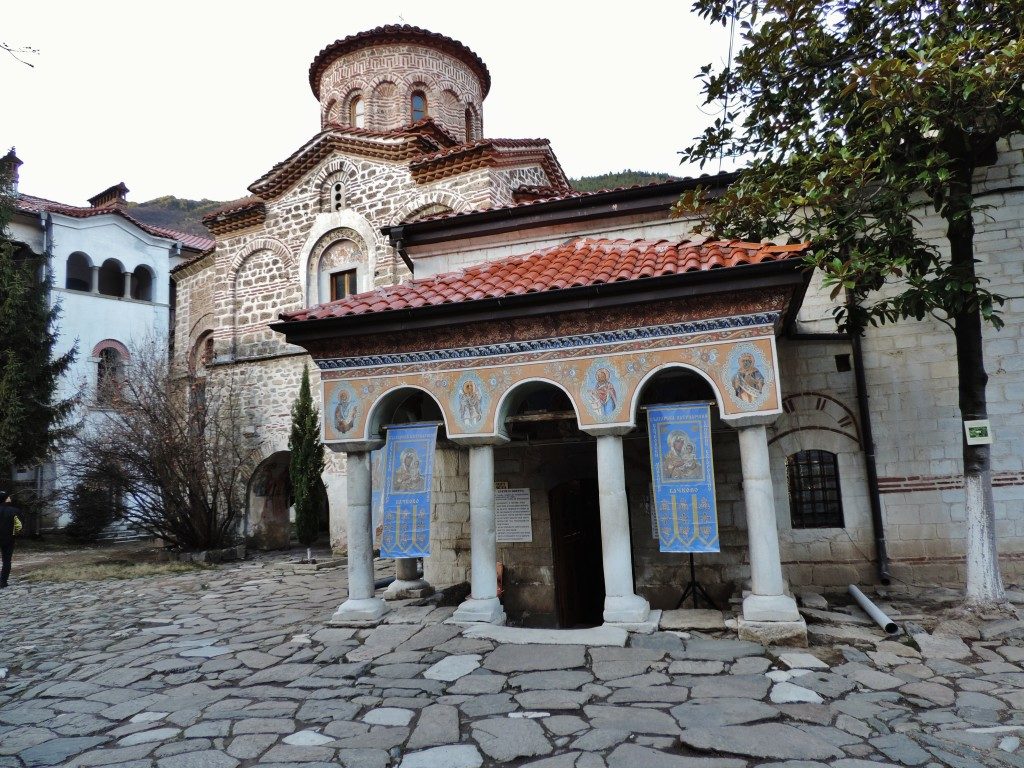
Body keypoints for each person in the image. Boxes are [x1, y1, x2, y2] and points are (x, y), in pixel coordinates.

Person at [0, 490, 24, 589]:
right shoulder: (14, 511)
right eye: (8, 496)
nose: (10, 498)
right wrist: (16, 534)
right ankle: (3, 582)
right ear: (6, 498)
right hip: (8, 539)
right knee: (6, 561)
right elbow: (19, 526)